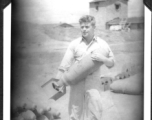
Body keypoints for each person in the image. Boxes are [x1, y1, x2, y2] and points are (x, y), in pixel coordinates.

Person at [53, 15, 115, 120]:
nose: (84, 29)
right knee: (75, 114)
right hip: (76, 83)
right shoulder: (74, 44)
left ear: (94, 27)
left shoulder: (102, 44)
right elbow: (64, 64)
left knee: (94, 114)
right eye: (82, 27)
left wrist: (103, 59)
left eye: (87, 27)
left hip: (93, 84)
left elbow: (112, 63)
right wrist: (58, 80)